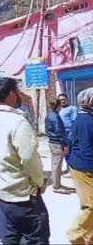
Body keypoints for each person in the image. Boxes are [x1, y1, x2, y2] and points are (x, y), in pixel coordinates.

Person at [0, 78, 49, 245]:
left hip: (2, 192)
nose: (20, 95)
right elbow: (29, 159)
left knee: (11, 234)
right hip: (22, 195)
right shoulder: (18, 122)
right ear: (12, 94)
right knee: (37, 238)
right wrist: (40, 182)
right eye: (19, 91)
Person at [66, 87, 93, 245]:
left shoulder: (80, 118)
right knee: (91, 206)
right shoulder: (87, 120)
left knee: (87, 204)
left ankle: (89, 238)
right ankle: (74, 234)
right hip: (85, 168)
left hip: (79, 165)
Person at [45, 98, 75, 194]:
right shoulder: (56, 117)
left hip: (52, 142)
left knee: (56, 164)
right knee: (57, 165)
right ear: (58, 106)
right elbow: (59, 132)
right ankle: (56, 186)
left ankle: (57, 184)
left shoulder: (49, 115)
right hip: (57, 143)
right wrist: (64, 144)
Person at [59, 93, 78, 177]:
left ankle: (71, 170)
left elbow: (75, 122)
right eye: (61, 99)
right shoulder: (58, 109)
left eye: (64, 99)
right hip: (61, 135)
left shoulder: (72, 108)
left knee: (70, 152)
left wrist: (71, 134)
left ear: (67, 100)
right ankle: (69, 168)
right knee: (64, 152)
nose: (62, 101)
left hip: (69, 134)